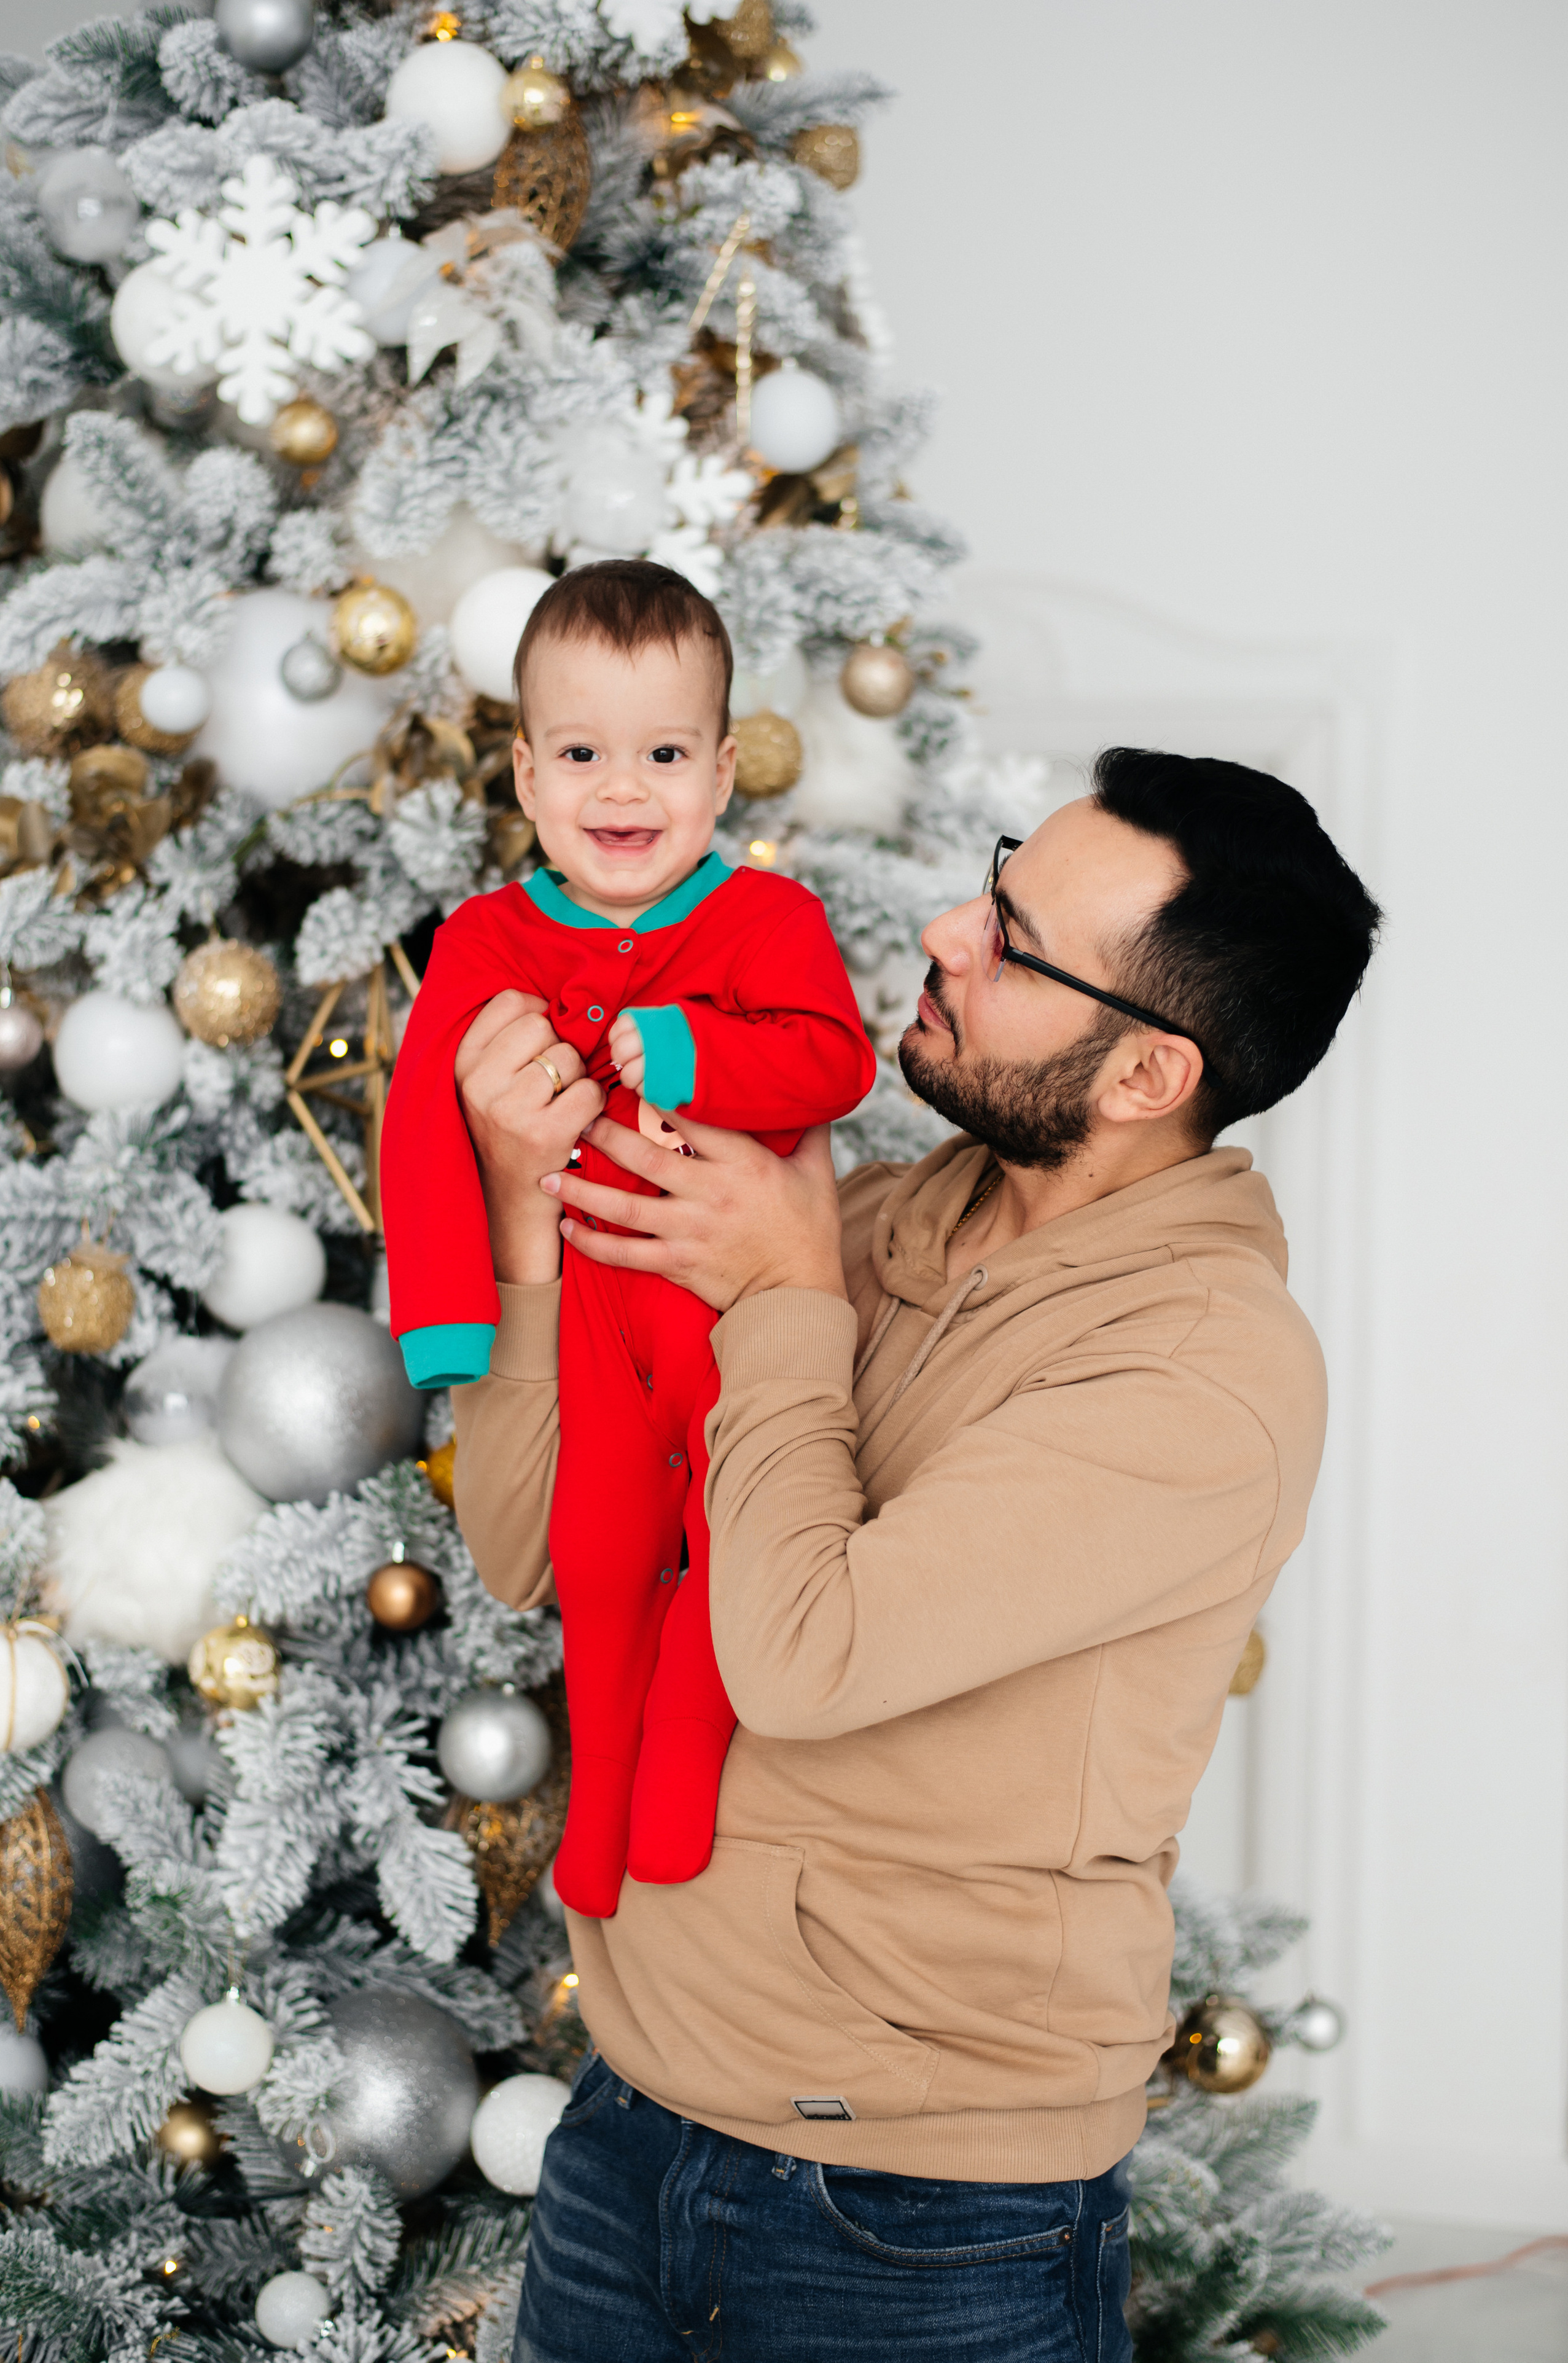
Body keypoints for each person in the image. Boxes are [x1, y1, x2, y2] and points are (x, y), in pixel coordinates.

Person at [451, 748, 1382, 2363]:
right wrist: (532, 1239)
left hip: (913, 2214)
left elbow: (806, 1664)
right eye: (996, 875)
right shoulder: (872, 1223)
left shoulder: (1206, 1378)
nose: (950, 928)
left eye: (1015, 939)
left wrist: (787, 1300)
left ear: (1147, 1077)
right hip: (630, 2127)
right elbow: (523, 1550)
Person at [381, 561, 875, 1918]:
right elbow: (424, 1130)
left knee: (726, 1560)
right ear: (529, 777)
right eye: (584, 754)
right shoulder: (485, 940)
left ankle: (678, 1778)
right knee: (599, 1565)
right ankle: (600, 1800)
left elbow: (830, 1062)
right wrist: (447, 1322)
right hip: (593, 1334)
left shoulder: (767, 922)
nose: (623, 791)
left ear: (721, 778)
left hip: (723, 1324)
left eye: (662, 754)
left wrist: (681, 1044)